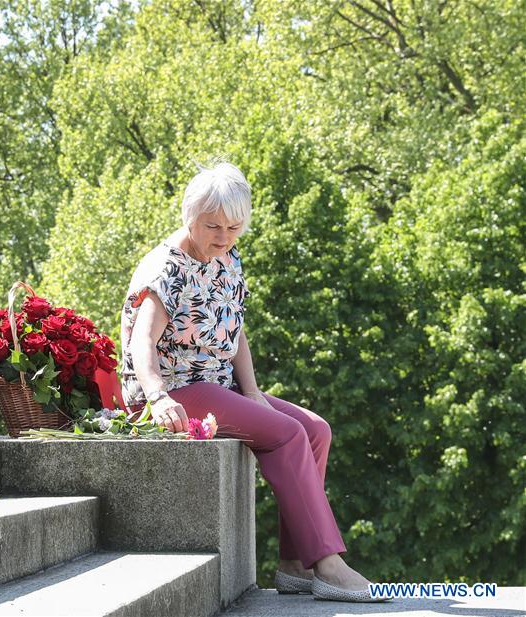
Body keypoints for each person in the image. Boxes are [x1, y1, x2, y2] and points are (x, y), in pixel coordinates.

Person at [119, 161, 387, 603]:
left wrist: (253, 392)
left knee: (316, 430)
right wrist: (158, 395)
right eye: (213, 226)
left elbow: (233, 330)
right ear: (189, 216)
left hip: (217, 386)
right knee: (285, 434)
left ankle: (296, 565)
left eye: (233, 227)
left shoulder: (226, 258)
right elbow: (141, 342)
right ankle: (328, 564)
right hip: (177, 390)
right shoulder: (167, 267)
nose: (223, 236)